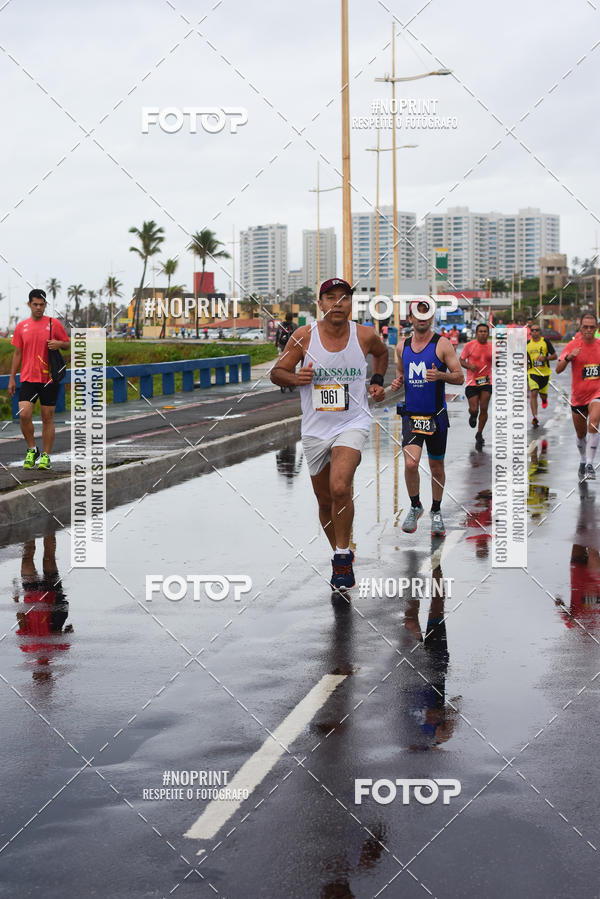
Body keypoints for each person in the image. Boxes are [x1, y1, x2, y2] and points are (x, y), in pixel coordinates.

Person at [270, 277, 388, 591]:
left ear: (352, 304)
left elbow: (382, 353)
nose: (338, 303)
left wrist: (376, 379)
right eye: (331, 298)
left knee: (339, 487)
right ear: (321, 304)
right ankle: (342, 546)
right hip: (315, 430)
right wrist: (296, 378)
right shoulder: (304, 337)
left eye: (344, 298)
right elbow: (276, 372)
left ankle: (341, 557)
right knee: (324, 500)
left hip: (353, 424)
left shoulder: (363, 335)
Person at [391, 300, 464, 537]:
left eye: (426, 314)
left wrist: (441, 374)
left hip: (436, 416)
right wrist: (397, 381)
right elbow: (401, 372)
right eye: (417, 314)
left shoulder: (442, 344)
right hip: (412, 415)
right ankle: (415, 506)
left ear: (431, 318)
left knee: (436, 466)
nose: (422, 318)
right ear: (410, 318)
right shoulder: (402, 346)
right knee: (411, 463)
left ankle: (436, 510)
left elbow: (459, 377)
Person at [8, 289, 70, 470]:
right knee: (24, 415)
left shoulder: (53, 324)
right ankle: (32, 449)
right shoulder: (22, 326)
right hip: (28, 377)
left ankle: (46, 456)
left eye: (42, 305)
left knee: (47, 417)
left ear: (45, 305)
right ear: (29, 304)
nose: (38, 308)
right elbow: (17, 353)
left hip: (49, 378)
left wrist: (60, 343)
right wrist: (12, 377)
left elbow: (67, 344)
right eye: (35, 304)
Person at [556, 311, 600, 480]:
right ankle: (583, 460)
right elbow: (558, 370)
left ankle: (590, 464)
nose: (589, 330)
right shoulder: (572, 346)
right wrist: (568, 357)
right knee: (581, 435)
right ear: (580, 328)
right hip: (578, 398)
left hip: (597, 394)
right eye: (585, 327)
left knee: (594, 423)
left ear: (596, 328)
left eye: (592, 327)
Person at [460, 322, 493, 449]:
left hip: (486, 382)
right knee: (475, 409)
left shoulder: (492, 347)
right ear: (476, 333)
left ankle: (479, 433)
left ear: (488, 334)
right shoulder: (469, 346)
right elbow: (461, 360)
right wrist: (469, 366)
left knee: (484, 407)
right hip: (472, 382)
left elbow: (498, 361)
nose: (483, 333)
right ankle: (473, 416)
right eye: (481, 331)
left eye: (485, 331)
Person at [526, 323, 557, 427]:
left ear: (540, 332)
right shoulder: (527, 344)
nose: (535, 332)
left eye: (537, 330)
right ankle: (535, 417)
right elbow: (524, 358)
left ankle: (544, 399)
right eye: (533, 330)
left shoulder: (545, 342)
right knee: (533, 392)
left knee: (542, 394)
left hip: (544, 373)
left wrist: (546, 358)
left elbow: (555, 356)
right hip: (532, 372)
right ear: (530, 332)